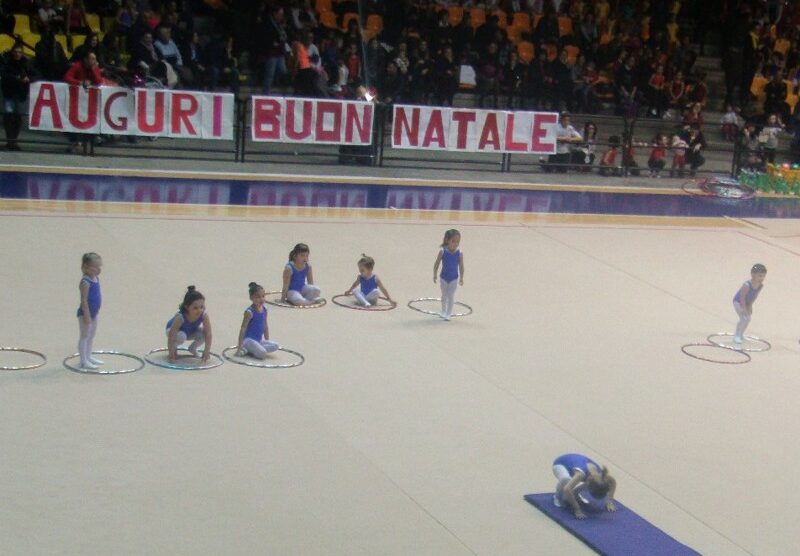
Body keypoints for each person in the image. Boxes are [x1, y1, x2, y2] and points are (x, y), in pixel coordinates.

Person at [552, 453, 617, 519]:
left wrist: (609, 501)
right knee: (566, 479)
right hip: (560, 464)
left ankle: (575, 493)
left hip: (576, 464)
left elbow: (613, 482)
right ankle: (557, 497)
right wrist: (577, 509)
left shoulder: (602, 476)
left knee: (574, 485)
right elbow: (566, 489)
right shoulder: (581, 474)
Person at [166, 286, 212, 363]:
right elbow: (171, 335)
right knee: (181, 336)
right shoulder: (180, 317)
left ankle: (193, 348)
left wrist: (206, 351)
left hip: (190, 331)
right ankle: (174, 348)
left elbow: (209, 334)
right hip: (174, 332)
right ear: (187, 307)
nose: (199, 310)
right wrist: (171, 354)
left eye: (202, 307)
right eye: (195, 308)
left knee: (203, 334)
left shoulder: (204, 315)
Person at [1, 42, 34, 151]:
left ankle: (14, 141)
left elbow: (35, 74)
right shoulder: (6, 61)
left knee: (18, 117)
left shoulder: (26, 63)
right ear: (12, 52)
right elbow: (4, 74)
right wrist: (17, 78)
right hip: (9, 93)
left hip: (21, 94)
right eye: (15, 52)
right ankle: (9, 141)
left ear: (22, 53)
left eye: (20, 52)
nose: (17, 54)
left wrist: (29, 79)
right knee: (8, 116)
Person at [234, 282, 279, 359]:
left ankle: (252, 350)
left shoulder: (265, 309)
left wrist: (267, 341)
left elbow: (265, 326)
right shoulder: (249, 312)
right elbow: (243, 329)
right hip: (248, 341)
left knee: (276, 345)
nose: (261, 299)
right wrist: (239, 346)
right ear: (251, 298)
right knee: (262, 353)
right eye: (258, 297)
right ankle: (247, 348)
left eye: (263, 296)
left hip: (258, 340)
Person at [76, 252, 103, 370]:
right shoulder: (85, 282)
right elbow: (84, 300)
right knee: (85, 336)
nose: (98, 269)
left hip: (94, 313)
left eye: (100, 267)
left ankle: (88, 356)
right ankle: (83, 361)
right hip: (85, 314)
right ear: (86, 267)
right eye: (96, 267)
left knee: (91, 336)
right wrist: (86, 315)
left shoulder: (96, 278)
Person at [433, 229, 464, 321]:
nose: (455, 244)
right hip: (443, 278)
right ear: (447, 240)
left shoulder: (459, 253)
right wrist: (434, 274)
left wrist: (461, 277)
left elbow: (461, 266)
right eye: (453, 241)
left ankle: (448, 313)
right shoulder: (442, 251)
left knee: (450, 296)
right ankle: (443, 311)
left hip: (453, 278)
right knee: (444, 295)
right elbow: (437, 263)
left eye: (457, 242)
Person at [732, 264, 767, 344]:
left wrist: (750, 306)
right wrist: (744, 308)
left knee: (748, 319)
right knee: (744, 318)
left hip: (746, 303)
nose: (762, 278)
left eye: (763, 276)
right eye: (760, 276)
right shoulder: (747, 285)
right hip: (738, 302)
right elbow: (742, 298)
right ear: (753, 275)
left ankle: (741, 334)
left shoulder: (760, 286)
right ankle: (736, 336)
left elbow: (754, 296)